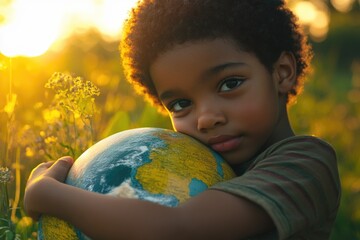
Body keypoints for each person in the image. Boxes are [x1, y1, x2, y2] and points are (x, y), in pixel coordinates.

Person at [24, 0, 341, 239]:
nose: (205, 119)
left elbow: (174, 230)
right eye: (181, 103)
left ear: (282, 73)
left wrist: (49, 194)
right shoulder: (193, 158)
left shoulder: (304, 165)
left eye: (229, 84)